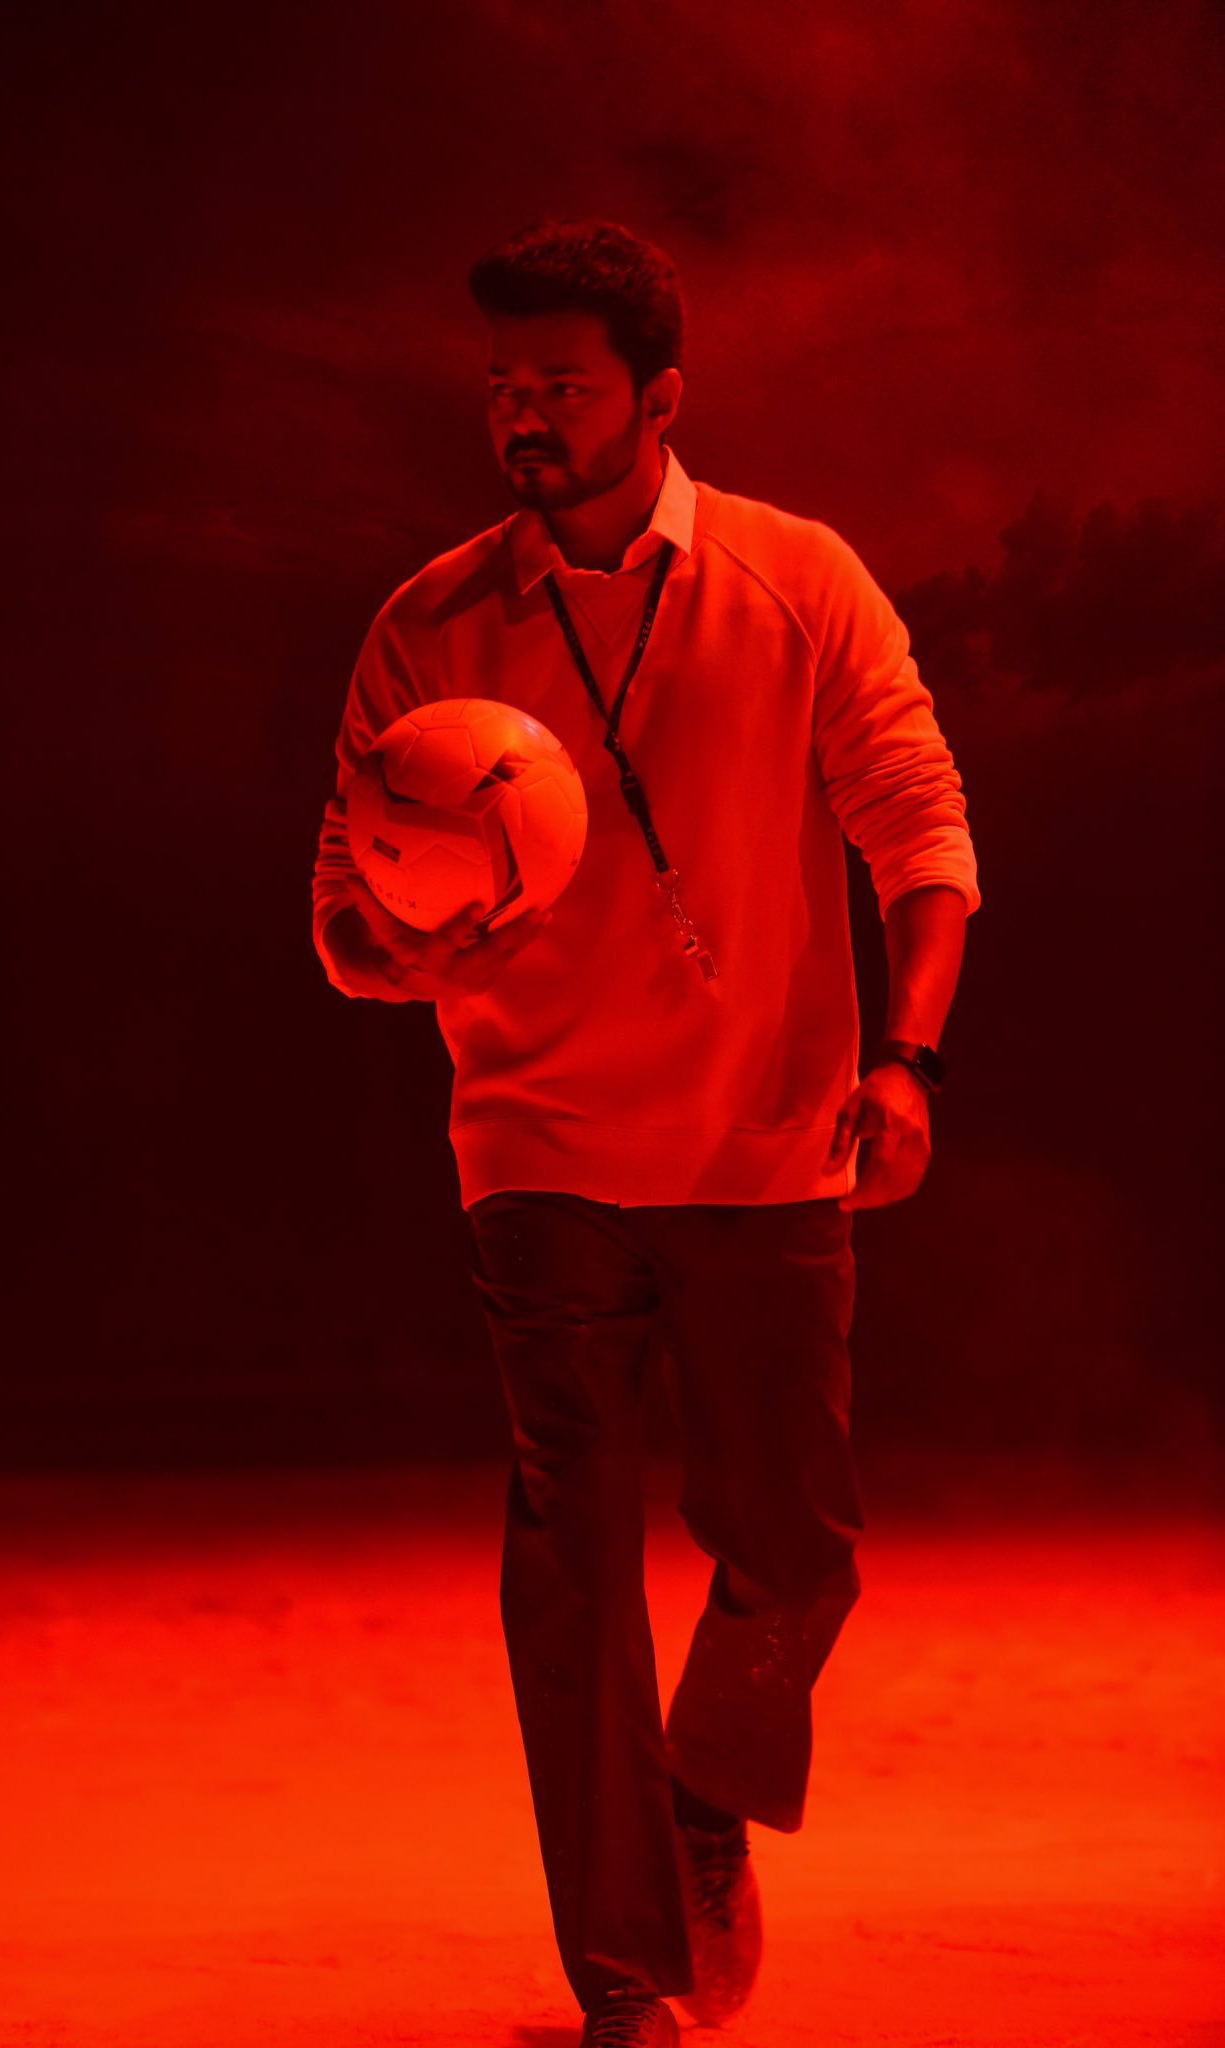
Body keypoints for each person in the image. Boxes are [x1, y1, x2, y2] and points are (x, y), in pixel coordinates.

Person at [310, 217, 979, 2048]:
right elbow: (340, 916)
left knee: (798, 1552)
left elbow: (920, 830)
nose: (521, 417)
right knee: (571, 1555)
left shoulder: (796, 578)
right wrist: (399, 942)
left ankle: (702, 1795)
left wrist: (906, 1062)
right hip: (536, 1150)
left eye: (561, 386)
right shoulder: (429, 625)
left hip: (766, 1142)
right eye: (501, 387)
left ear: (658, 399)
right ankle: (623, 1977)